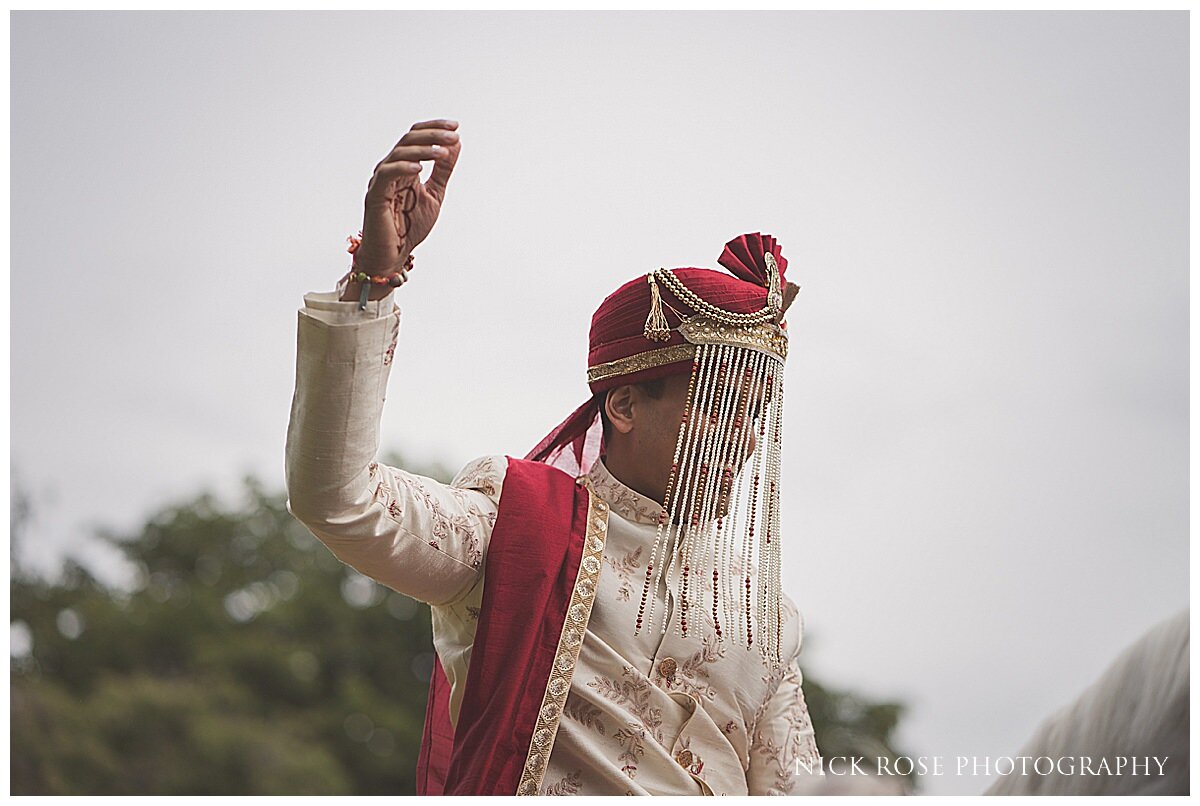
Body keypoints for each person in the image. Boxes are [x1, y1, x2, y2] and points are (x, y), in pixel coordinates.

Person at [285, 118, 822, 796]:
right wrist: (373, 280)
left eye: (754, 415)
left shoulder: (764, 611)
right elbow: (339, 499)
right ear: (623, 406)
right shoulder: (516, 526)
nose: (741, 437)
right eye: (717, 405)